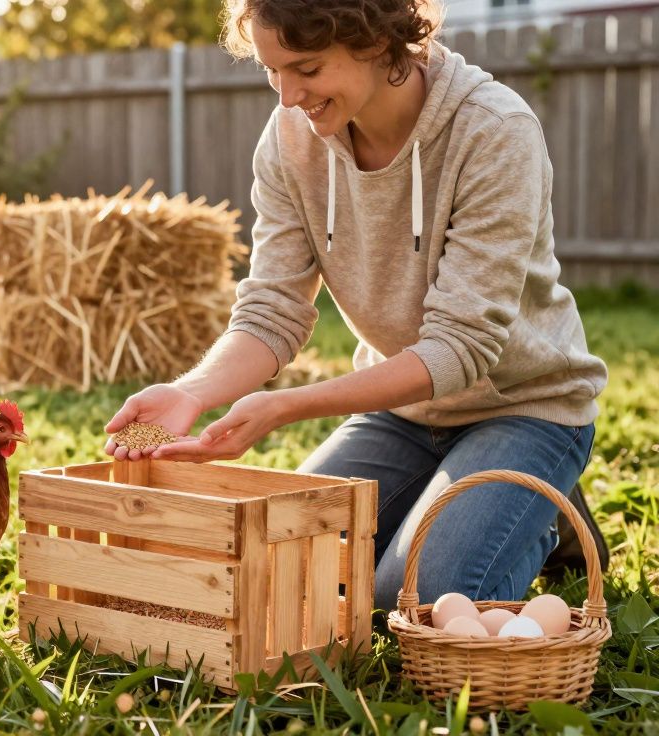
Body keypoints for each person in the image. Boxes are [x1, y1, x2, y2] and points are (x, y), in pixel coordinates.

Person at [104, 0, 608, 608]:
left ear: (375, 41)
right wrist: (192, 391)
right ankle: (495, 505)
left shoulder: (494, 130)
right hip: (401, 412)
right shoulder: (290, 140)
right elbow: (272, 309)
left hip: (523, 407)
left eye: (307, 69)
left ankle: (541, 516)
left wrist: (285, 406)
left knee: (415, 595)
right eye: (273, 71)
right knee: (284, 557)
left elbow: (460, 348)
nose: (288, 96)